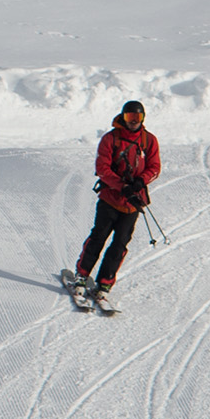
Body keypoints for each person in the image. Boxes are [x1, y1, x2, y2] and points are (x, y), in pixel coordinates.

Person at [73, 100, 161, 300]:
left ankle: (105, 283)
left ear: (143, 118)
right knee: (98, 237)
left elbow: (155, 167)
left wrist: (140, 181)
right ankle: (81, 275)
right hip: (110, 199)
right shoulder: (110, 139)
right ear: (123, 117)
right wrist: (122, 186)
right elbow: (102, 169)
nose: (133, 122)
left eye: (136, 118)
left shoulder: (149, 140)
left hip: (132, 204)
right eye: (129, 117)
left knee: (120, 244)